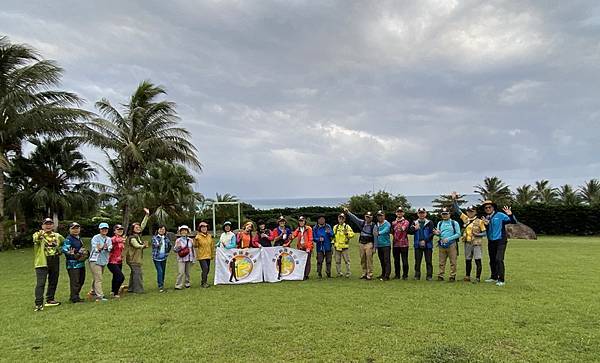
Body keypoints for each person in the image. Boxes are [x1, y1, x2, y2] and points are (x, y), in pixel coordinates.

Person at [452, 193, 487, 283]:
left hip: (476, 243)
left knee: (477, 260)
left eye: (472, 211)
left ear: (475, 212)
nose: (470, 213)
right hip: (467, 242)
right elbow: (457, 210)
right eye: (468, 211)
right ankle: (467, 276)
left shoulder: (480, 221)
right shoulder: (465, 219)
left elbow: (485, 232)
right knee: (468, 260)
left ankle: (477, 277)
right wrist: (454, 200)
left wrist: (477, 234)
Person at [481, 200, 517, 287]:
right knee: (492, 260)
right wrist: (486, 224)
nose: (488, 209)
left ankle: (501, 279)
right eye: (486, 208)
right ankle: (493, 277)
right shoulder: (486, 217)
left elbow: (513, 221)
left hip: (501, 240)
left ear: (493, 207)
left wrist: (510, 214)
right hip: (491, 241)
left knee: (499, 259)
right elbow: (486, 229)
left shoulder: (500, 215)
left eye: (489, 207)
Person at [32, 218, 65, 311]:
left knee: (53, 281)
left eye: (50, 224)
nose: (48, 226)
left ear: (53, 225)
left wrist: (60, 250)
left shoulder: (57, 236)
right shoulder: (38, 234)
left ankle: (50, 299)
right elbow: (36, 239)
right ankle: (38, 303)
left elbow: (65, 243)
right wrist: (40, 235)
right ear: (42, 226)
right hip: (42, 261)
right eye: (46, 224)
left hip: (54, 259)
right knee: (41, 283)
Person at [344, 208, 376, 280]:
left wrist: (375, 247)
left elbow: (375, 237)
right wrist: (348, 212)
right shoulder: (362, 223)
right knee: (362, 258)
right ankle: (364, 272)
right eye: (366, 216)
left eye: (369, 217)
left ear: (371, 218)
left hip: (369, 243)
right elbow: (354, 218)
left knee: (369, 259)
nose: (367, 218)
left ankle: (369, 274)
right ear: (365, 217)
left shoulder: (374, 226)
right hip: (361, 243)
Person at [126, 208, 150, 294]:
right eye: (136, 227)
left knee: (134, 273)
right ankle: (138, 290)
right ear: (132, 229)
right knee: (138, 274)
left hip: (135, 259)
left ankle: (131, 288)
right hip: (133, 259)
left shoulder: (137, 235)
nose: (139, 228)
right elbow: (136, 245)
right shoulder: (132, 237)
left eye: (139, 227)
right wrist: (143, 246)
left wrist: (147, 215)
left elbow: (143, 225)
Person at [62, 222, 87, 303]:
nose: (76, 230)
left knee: (81, 280)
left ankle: (75, 295)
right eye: (73, 228)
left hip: (81, 263)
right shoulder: (68, 239)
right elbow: (65, 250)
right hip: (72, 264)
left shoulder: (79, 238)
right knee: (75, 281)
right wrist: (73, 254)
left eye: (77, 228)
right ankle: (74, 298)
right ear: (69, 229)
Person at [433, 208, 461, 282]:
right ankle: (440, 275)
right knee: (441, 261)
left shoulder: (454, 223)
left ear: (449, 214)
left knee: (453, 262)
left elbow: (458, 234)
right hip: (442, 244)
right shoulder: (440, 223)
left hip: (452, 244)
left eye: (446, 214)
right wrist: (437, 234)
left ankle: (452, 276)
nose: (445, 215)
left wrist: (448, 239)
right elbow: (439, 233)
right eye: (443, 214)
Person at [408, 208, 435, 281]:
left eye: (423, 213)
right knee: (417, 261)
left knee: (428, 261)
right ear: (417, 214)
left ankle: (429, 276)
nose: (421, 214)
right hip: (417, 244)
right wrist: (414, 229)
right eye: (420, 213)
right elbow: (409, 231)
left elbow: (432, 233)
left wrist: (425, 241)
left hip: (428, 244)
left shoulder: (430, 222)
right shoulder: (414, 222)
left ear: (425, 214)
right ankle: (417, 275)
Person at [88, 223, 113, 301]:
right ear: (100, 229)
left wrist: (106, 248)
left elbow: (110, 247)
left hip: (103, 260)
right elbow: (95, 247)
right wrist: (100, 248)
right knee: (99, 278)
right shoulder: (95, 237)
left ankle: (93, 292)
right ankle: (100, 296)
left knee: (97, 277)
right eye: (102, 229)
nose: (104, 230)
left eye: (106, 229)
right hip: (94, 260)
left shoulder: (108, 239)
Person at [332, 214, 355, 278]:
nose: (341, 220)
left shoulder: (347, 227)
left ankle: (348, 272)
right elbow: (333, 236)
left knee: (347, 261)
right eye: (340, 218)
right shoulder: (335, 227)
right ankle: (339, 273)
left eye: (342, 218)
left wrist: (347, 233)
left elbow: (352, 234)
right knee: (337, 261)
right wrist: (333, 244)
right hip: (337, 247)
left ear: (344, 219)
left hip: (345, 247)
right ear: (338, 219)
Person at [391, 207, 410, 280]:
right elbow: (392, 232)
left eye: (401, 212)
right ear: (396, 213)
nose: (399, 213)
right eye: (398, 212)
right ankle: (397, 275)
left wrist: (398, 226)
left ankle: (405, 275)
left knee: (404, 260)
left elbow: (403, 228)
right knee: (396, 261)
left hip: (404, 244)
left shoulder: (406, 222)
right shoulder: (393, 222)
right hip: (395, 244)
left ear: (403, 213)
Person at [152, 225, 172, 292]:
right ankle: (160, 285)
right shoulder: (155, 238)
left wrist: (167, 252)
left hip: (164, 257)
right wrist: (161, 239)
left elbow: (170, 245)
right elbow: (156, 245)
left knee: (163, 271)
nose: (162, 231)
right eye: (160, 229)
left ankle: (162, 284)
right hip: (156, 258)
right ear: (158, 230)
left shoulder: (166, 238)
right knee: (160, 271)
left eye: (163, 229)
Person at [174, 225, 195, 289]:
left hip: (189, 258)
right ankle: (178, 285)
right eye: (182, 230)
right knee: (181, 272)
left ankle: (187, 283)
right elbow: (175, 250)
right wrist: (178, 247)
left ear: (187, 232)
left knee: (187, 272)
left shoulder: (190, 240)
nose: (184, 232)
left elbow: (192, 249)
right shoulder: (178, 240)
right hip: (181, 259)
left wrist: (194, 258)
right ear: (180, 232)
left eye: (185, 230)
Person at [108, 224, 126, 298]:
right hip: (111, 261)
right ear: (114, 231)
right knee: (120, 277)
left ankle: (113, 291)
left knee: (115, 277)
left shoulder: (121, 239)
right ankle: (116, 292)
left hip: (119, 261)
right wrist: (122, 239)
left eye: (121, 229)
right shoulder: (112, 239)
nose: (120, 231)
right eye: (118, 229)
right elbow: (115, 240)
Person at [373, 210, 392, 281]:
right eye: (378, 216)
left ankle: (387, 275)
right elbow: (374, 235)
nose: (380, 217)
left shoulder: (387, 223)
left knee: (387, 260)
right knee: (382, 260)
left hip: (386, 245)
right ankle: (383, 273)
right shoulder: (376, 224)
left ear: (384, 216)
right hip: (379, 245)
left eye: (381, 215)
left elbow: (386, 230)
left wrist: (379, 232)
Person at [194, 222, 213, 288]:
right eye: (202, 227)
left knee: (208, 270)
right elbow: (195, 246)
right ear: (200, 228)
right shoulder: (198, 236)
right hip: (201, 256)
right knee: (205, 268)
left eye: (205, 227)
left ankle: (204, 281)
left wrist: (212, 255)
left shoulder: (209, 236)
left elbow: (211, 246)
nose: (204, 228)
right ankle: (204, 283)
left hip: (208, 255)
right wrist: (196, 240)